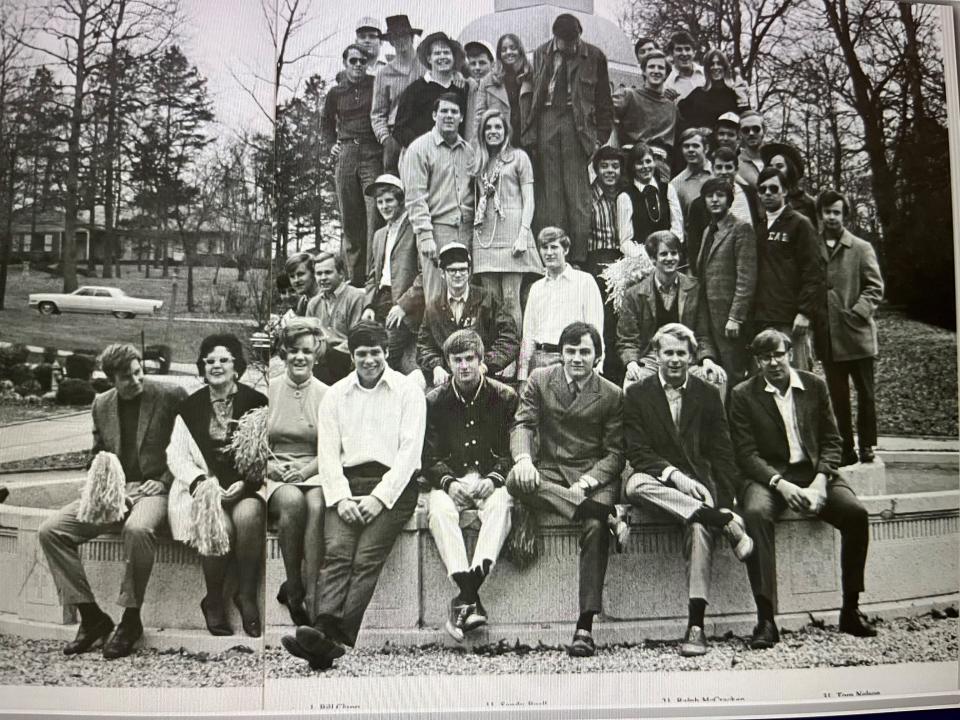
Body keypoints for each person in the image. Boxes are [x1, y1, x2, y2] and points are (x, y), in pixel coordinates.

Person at [281, 321, 426, 671]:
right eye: (361, 354)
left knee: (366, 557)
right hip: (347, 484)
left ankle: (331, 635)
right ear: (351, 356)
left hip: (394, 486)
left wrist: (379, 498)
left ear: (386, 352)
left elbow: (409, 454)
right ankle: (324, 637)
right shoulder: (336, 395)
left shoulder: (408, 391)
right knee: (338, 554)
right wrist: (342, 498)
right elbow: (328, 454)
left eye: (375, 352)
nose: (369, 360)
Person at [729, 328, 876, 650]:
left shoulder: (815, 385)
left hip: (814, 474)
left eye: (778, 355)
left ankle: (851, 609)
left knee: (856, 514)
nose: (773, 363)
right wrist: (779, 485)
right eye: (765, 357)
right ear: (757, 361)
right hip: (769, 478)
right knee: (754, 514)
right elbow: (746, 454)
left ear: (790, 354)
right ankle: (766, 619)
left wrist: (822, 480)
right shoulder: (742, 394)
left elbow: (832, 441)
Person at [38, 344, 185, 659]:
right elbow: (96, 451)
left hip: (153, 489)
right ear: (111, 379)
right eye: (127, 377)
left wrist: (163, 480)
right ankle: (92, 618)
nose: (136, 379)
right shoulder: (101, 404)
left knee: (137, 530)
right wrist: (100, 476)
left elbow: (190, 447)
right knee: (51, 530)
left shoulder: (170, 396)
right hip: (114, 493)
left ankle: (131, 619)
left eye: (138, 371)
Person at [623, 323, 752, 656]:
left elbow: (723, 453)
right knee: (634, 483)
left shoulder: (707, 395)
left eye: (682, 353)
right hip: (657, 483)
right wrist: (675, 477)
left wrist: (727, 499)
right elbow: (636, 451)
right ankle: (720, 520)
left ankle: (696, 626)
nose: (675, 360)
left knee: (698, 527)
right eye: (668, 352)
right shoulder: (638, 393)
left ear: (693, 357)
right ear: (655, 355)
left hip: (699, 490)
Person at [508, 321, 629, 658]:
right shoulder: (540, 379)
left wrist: (589, 481)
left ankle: (585, 625)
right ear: (560, 353)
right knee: (514, 482)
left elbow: (616, 453)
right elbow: (523, 423)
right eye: (571, 351)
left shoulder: (611, 393)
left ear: (597, 356)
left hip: (594, 477)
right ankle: (608, 515)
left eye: (585, 352)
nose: (577, 359)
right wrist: (522, 459)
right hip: (549, 472)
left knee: (594, 529)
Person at [167, 334, 268, 637]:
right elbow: (176, 455)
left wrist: (246, 483)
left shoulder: (257, 402)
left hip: (245, 487)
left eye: (223, 360)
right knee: (218, 526)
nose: (216, 365)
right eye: (209, 361)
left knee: (249, 517)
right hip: (207, 491)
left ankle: (246, 595)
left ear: (236, 366)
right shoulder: (190, 406)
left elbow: (266, 452)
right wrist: (202, 483)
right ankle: (213, 600)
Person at [422, 329, 518, 641]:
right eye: (457, 360)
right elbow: (428, 455)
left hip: (489, 478)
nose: (464, 366)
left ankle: (464, 599)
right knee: (437, 511)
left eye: (470, 359)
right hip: (453, 480)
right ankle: (470, 599)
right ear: (448, 363)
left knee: (503, 505)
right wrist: (449, 483)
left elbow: (512, 451)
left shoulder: (504, 397)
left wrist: (495, 479)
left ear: (481, 361)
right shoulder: (435, 401)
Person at [523, 13, 613, 265]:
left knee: (577, 195)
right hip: (548, 120)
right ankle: (553, 254)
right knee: (551, 194)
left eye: (575, 41)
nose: (571, 47)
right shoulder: (541, 53)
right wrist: (531, 135)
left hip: (578, 126)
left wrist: (599, 139)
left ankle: (579, 258)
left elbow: (604, 101)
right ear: (555, 38)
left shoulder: (594, 56)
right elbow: (534, 96)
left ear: (580, 34)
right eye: (565, 43)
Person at [813, 189, 884, 466]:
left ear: (845, 215)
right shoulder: (814, 247)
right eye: (826, 212)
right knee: (837, 397)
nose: (831, 217)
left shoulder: (861, 248)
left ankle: (867, 445)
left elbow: (875, 287)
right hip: (829, 338)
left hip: (858, 335)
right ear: (820, 215)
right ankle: (845, 448)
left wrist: (857, 312)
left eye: (836, 212)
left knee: (866, 395)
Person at [266, 319, 329, 627]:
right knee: (293, 503)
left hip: (314, 469)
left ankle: (314, 596)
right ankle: (294, 588)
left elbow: (332, 448)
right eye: (293, 351)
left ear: (317, 354)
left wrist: (305, 471)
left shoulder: (328, 394)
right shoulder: (269, 389)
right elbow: (252, 444)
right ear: (284, 353)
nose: (300, 357)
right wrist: (273, 466)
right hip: (274, 472)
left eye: (307, 351)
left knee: (317, 505)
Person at [619, 231, 724, 390]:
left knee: (716, 380)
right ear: (653, 259)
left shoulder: (694, 288)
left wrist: (707, 360)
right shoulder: (634, 294)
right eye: (663, 254)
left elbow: (703, 334)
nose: (670, 258)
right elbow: (627, 339)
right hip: (652, 358)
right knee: (632, 385)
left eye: (674, 253)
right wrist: (631, 363)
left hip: (686, 356)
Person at [471, 108, 543, 331]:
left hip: (512, 233)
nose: (493, 131)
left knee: (511, 299)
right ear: (482, 132)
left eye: (498, 127)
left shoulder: (518, 158)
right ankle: (495, 356)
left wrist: (523, 234)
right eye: (488, 128)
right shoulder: (479, 163)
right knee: (490, 301)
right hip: (485, 237)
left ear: (506, 131)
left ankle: (514, 358)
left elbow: (529, 199)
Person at [400, 92, 476, 304]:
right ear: (434, 115)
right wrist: (425, 235)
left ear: (461, 117)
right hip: (437, 230)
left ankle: (463, 339)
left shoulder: (469, 151)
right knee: (437, 296)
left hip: (466, 230)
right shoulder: (419, 149)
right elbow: (415, 197)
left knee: (464, 296)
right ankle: (438, 339)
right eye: (444, 111)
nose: (449, 116)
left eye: (454, 112)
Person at [416, 243, 519, 388]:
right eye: (452, 270)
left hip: (483, 379)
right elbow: (423, 346)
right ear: (442, 273)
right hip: (447, 380)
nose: (458, 275)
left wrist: (486, 364)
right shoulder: (434, 307)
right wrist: (436, 366)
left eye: (462, 269)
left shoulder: (487, 299)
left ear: (469, 271)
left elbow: (509, 339)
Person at [322, 44, 383, 287]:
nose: (358, 66)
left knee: (374, 216)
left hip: (371, 151)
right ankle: (354, 281)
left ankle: (373, 280)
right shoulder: (336, 92)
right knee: (350, 218)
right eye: (353, 61)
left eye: (362, 62)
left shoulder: (375, 85)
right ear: (345, 63)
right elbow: (326, 123)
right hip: (346, 153)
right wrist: (331, 144)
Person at [753, 166, 822, 372]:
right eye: (762, 189)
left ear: (785, 191)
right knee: (768, 379)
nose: (767, 193)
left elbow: (814, 272)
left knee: (796, 378)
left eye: (773, 188)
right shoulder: (759, 227)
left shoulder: (800, 224)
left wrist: (805, 312)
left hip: (791, 319)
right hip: (764, 316)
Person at [518, 227, 604, 379]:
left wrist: (598, 364)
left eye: (554, 247)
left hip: (572, 359)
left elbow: (595, 327)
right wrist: (523, 375)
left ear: (566, 249)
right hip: (540, 360)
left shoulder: (584, 281)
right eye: (544, 248)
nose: (549, 253)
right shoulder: (536, 288)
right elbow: (528, 334)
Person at [587, 145, 641, 385]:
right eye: (604, 166)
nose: (610, 171)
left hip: (624, 261)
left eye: (615, 166)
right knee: (605, 320)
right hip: (597, 260)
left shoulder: (628, 194)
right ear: (597, 169)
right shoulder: (588, 195)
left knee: (624, 319)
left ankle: (624, 374)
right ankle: (606, 375)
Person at [695, 177, 757, 383]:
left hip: (729, 320)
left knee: (735, 374)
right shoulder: (707, 231)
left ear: (729, 200)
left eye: (720, 196)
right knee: (714, 374)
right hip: (708, 317)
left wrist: (736, 318)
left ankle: (736, 416)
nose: (714, 200)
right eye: (709, 196)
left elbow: (746, 278)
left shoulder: (741, 229)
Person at [361, 174, 424, 374]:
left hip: (404, 306)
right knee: (361, 349)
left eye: (389, 200)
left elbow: (424, 275)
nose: (384, 206)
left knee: (383, 358)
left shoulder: (416, 228)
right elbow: (372, 275)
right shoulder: (379, 234)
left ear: (401, 200)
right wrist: (369, 305)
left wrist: (403, 306)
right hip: (380, 301)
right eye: (379, 202)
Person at [685, 146, 763, 275]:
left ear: (736, 169)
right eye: (719, 167)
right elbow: (694, 245)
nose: (723, 172)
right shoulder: (699, 204)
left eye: (728, 167)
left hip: (747, 266)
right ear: (713, 170)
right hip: (715, 273)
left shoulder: (750, 194)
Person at [393, 32, 469, 149]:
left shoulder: (461, 88)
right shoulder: (415, 89)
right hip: (423, 156)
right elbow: (400, 129)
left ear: (453, 57)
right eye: (437, 53)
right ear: (429, 59)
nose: (442, 57)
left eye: (446, 53)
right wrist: (420, 146)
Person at [370, 15, 424, 174]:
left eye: (404, 35)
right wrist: (386, 139)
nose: (400, 41)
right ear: (391, 42)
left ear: (412, 37)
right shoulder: (384, 74)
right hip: (396, 135)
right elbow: (377, 113)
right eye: (395, 37)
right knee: (393, 185)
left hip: (424, 131)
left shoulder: (427, 65)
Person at [306, 251, 366, 384]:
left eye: (328, 272)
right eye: (318, 274)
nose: (322, 278)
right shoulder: (313, 304)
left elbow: (357, 339)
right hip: (321, 362)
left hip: (347, 362)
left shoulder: (356, 298)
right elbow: (308, 337)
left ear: (341, 274)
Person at [476, 33, 534, 144]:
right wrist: (478, 145)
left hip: (527, 140)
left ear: (520, 50)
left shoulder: (531, 76)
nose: (508, 52)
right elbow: (479, 116)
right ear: (499, 54)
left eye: (513, 48)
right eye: (504, 50)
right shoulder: (489, 80)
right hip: (499, 140)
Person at [616, 50, 679, 154]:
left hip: (661, 160)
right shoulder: (629, 95)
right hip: (631, 157)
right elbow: (605, 116)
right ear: (644, 71)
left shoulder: (671, 106)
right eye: (651, 67)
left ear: (666, 74)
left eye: (661, 68)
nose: (656, 71)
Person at [622, 141, 678, 248]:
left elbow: (677, 228)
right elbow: (625, 241)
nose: (645, 166)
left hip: (668, 253)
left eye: (648, 161)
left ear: (654, 163)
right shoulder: (625, 196)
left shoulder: (668, 189)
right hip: (640, 257)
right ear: (633, 167)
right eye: (639, 163)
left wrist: (668, 250)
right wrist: (646, 258)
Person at [678, 49, 746, 133]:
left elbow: (745, 120)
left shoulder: (734, 94)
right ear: (707, 69)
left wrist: (743, 96)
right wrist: (697, 130)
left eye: (719, 64)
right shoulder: (697, 94)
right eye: (712, 64)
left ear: (725, 67)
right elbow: (682, 119)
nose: (715, 67)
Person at [668, 127, 713, 238]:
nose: (690, 150)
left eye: (696, 146)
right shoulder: (676, 184)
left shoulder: (718, 173)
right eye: (686, 146)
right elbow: (678, 222)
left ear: (706, 148)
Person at [761, 142, 818, 226]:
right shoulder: (762, 199)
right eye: (770, 166)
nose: (774, 171)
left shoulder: (808, 204)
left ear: (790, 170)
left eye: (779, 166)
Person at [462, 41, 494, 143]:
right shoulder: (466, 87)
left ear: (492, 64)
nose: (477, 68)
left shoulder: (498, 88)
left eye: (482, 63)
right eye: (473, 64)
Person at [663, 31, 704, 102]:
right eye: (679, 49)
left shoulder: (706, 74)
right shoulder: (666, 84)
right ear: (672, 53)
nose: (684, 53)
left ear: (694, 52)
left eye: (687, 49)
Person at [737, 110, 766, 187]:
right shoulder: (736, 165)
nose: (751, 133)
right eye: (745, 130)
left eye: (756, 129)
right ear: (740, 133)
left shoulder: (776, 160)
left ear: (764, 130)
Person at [285, 252, 319, 317]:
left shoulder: (325, 299)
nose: (296, 280)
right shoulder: (303, 301)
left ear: (314, 273)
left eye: (300, 274)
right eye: (292, 276)